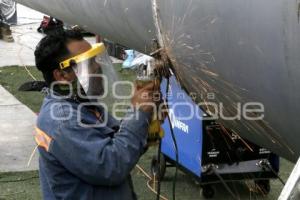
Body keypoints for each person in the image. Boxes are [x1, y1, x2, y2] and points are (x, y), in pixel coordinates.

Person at [34, 29, 159, 200]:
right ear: (62, 75)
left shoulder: (84, 103)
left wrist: (146, 122)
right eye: (89, 62)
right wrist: (137, 116)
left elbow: (119, 144)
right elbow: (112, 166)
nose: (98, 66)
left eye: (95, 59)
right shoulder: (62, 119)